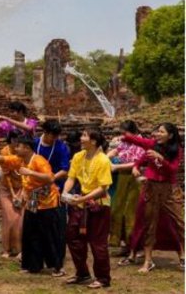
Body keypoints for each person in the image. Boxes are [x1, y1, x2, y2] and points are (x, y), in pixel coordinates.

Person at [121, 122, 183, 273]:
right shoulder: (152, 144)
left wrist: (160, 158)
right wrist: (136, 167)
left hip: (169, 190)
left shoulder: (177, 150)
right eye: (157, 131)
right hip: (151, 189)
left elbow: (173, 170)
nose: (157, 134)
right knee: (149, 224)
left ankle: (183, 256)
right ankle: (148, 261)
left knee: (179, 222)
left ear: (170, 135)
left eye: (161, 132)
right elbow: (137, 147)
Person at [62, 128, 113, 289]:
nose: (81, 138)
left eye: (84, 135)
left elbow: (103, 188)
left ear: (93, 141)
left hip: (98, 204)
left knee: (98, 242)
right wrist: (65, 192)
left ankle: (103, 277)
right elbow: (72, 177)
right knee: (73, 237)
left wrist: (84, 198)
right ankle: (82, 273)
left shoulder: (103, 160)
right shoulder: (78, 156)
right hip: (80, 202)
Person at [10, 132, 64, 277]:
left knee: (49, 234)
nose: (16, 149)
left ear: (27, 148)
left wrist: (30, 172)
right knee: (31, 232)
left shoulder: (39, 160)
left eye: (19, 146)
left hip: (47, 200)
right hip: (33, 198)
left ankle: (56, 266)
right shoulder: (21, 161)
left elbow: (50, 178)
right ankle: (32, 264)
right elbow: (7, 161)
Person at [35, 119, 72, 268]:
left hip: (56, 190)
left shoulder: (61, 147)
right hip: (34, 190)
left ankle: (57, 259)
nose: (55, 139)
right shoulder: (35, 143)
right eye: (53, 136)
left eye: (57, 136)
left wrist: (50, 179)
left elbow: (65, 169)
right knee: (33, 221)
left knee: (57, 225)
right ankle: (35, 258)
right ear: (46, 133)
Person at [108, 120, 146, 258]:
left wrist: (117, 167)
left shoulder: (141, 143)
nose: (123, 135)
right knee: (117, 210)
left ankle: (137, 246)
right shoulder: (124, 141)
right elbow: (115, 150)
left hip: (134, 179)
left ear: (134, 132)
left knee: (131, 212)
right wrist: (105, 158)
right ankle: (124, 243)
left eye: (125, 132)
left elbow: (137, 163)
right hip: (121, 179)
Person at [0, 124, 25, 259]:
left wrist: (23, 191)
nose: (16, 143)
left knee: (20, 219)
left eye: (19, 140)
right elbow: (1, 166)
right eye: (14, 140)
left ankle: (19, 249)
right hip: (7, 188)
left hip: (23, 188)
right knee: (9, 218)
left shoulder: (24, 153)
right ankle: (6, 249)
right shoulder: (6, 152)